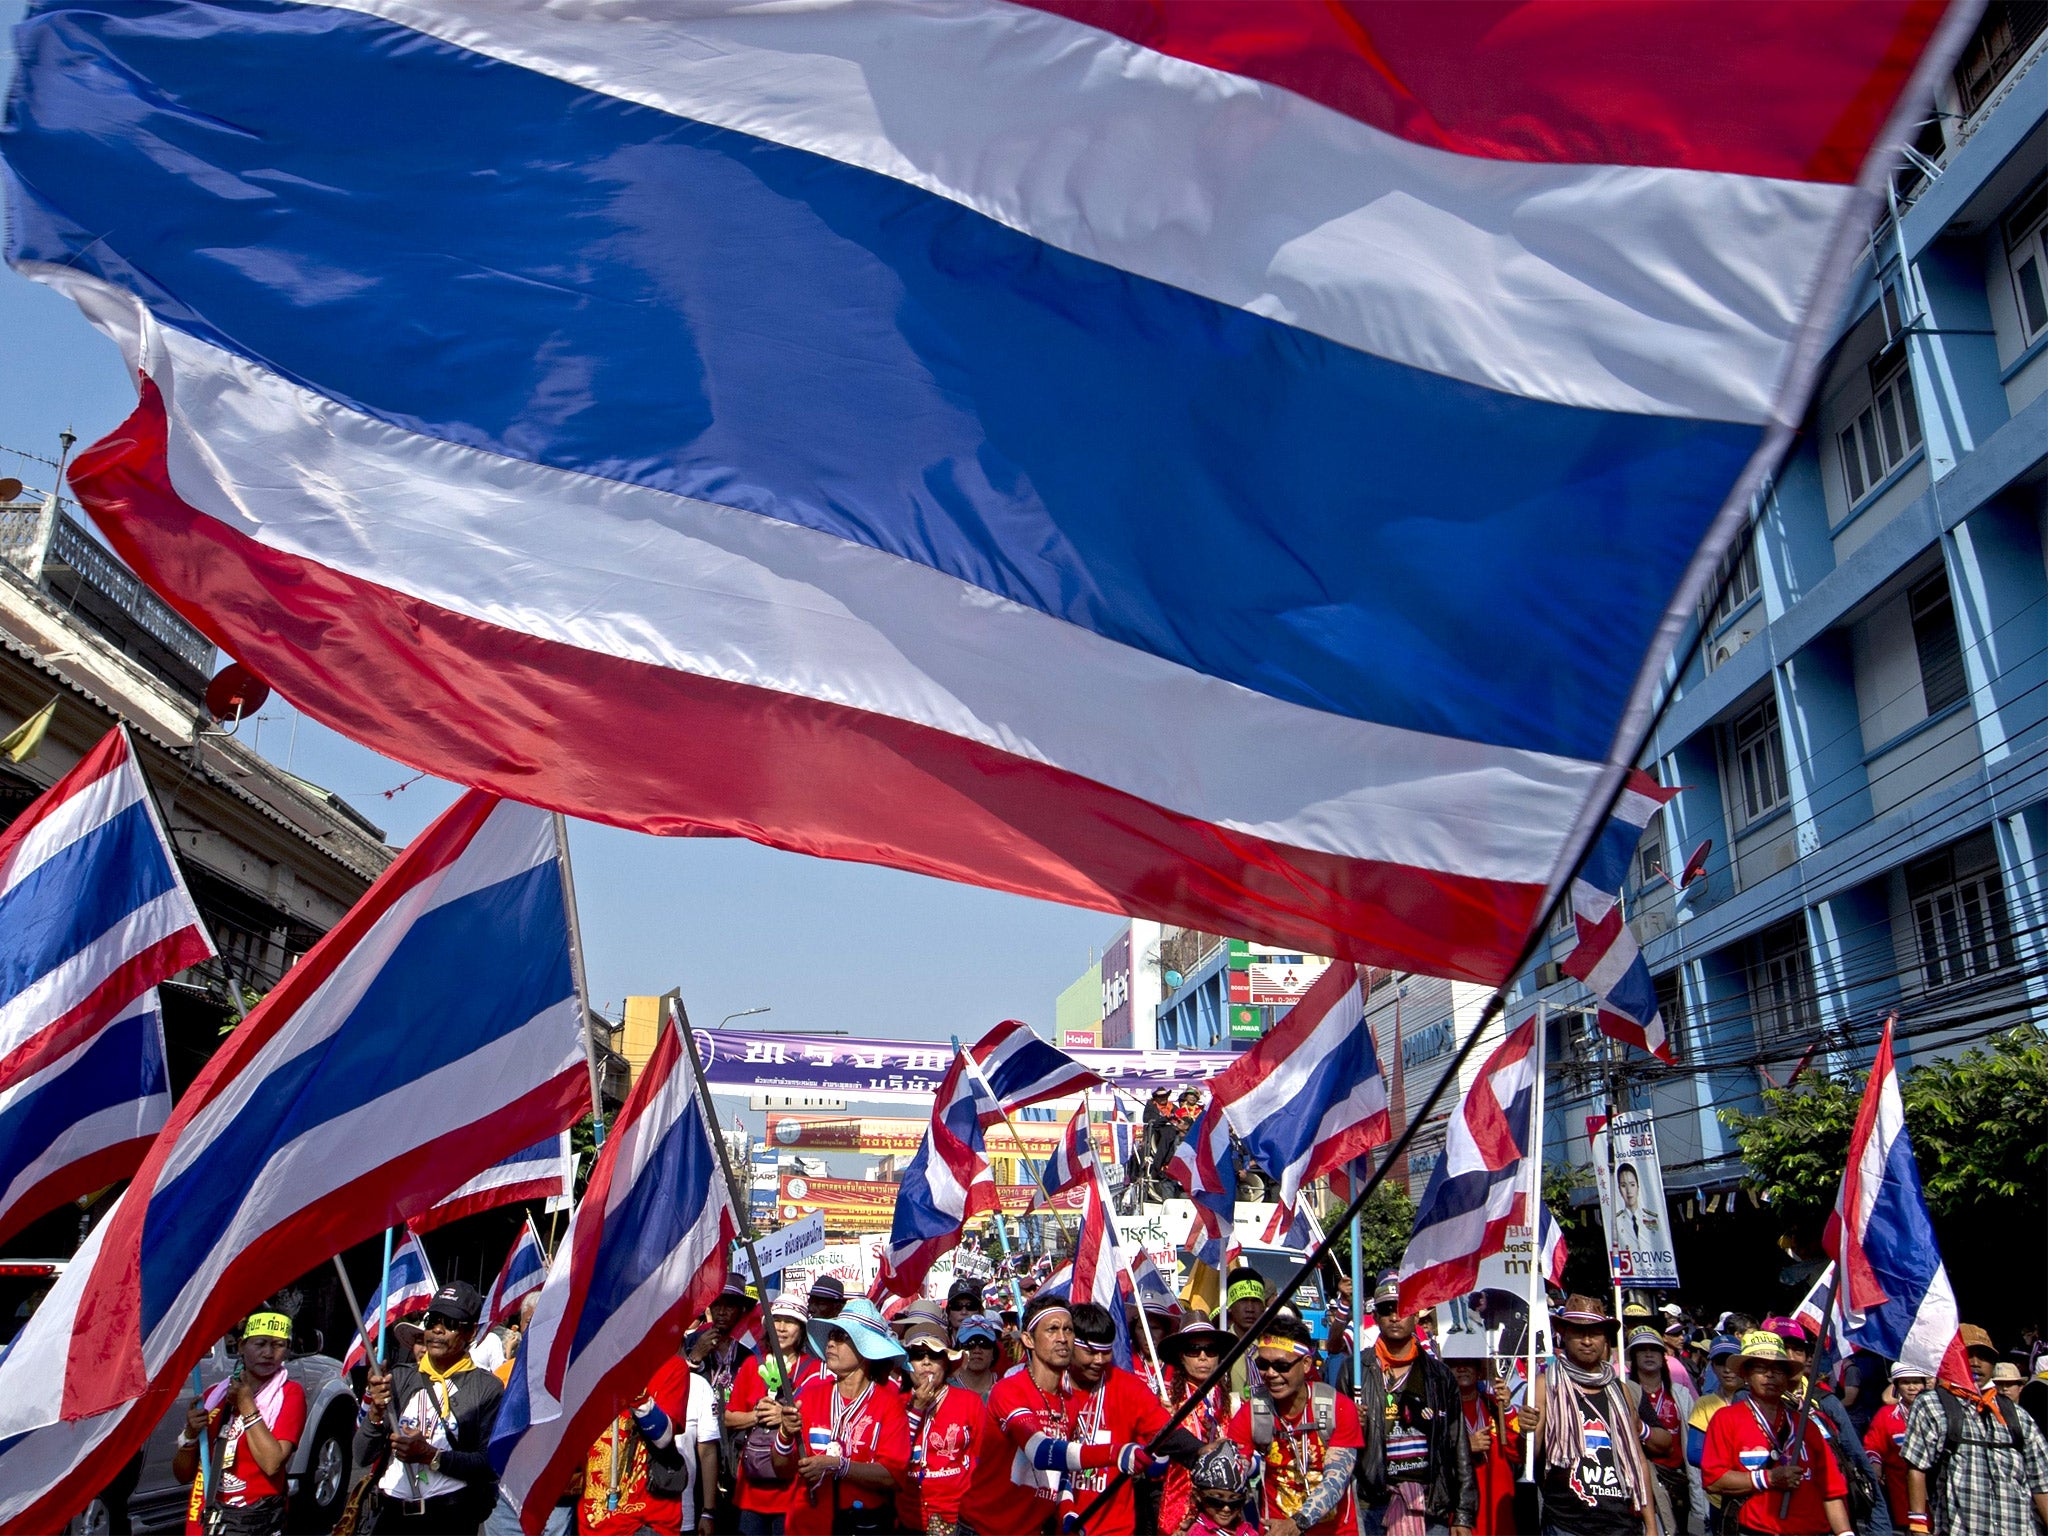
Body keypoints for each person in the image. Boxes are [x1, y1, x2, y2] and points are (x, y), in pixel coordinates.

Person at [1331, 1276, 1475, 1536]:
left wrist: (1463, 1514)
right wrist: (1351, 1426)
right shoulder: (1353, 1371)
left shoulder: (1440, 1377)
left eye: (1403, 1308)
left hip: (1431, 1508)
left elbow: (1459, 1447)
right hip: (1374, 1506)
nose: (1395, 1317)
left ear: (1417, 1315)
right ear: (1375, 1317)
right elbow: (1335, 1446)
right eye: (1386, 1310)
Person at [357, 1281, 505, 1533]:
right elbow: (362, 1455)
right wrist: (375, 1413)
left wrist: (431, 1456)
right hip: (390, 1511)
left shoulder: (486, 1388)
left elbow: (489, 1464)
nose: (437, 1330)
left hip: (449, 1515)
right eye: (432, 1320)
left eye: (449, 1323)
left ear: (470, 1333)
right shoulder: (400, 1378)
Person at [1520, 1294, 1656, 1536]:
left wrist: (1652, 1525)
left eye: (1594, 1333)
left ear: (1605, 1339)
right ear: (1563, 1334)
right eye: (1577, 1332)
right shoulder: (1544, 1385)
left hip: (1621, 1522)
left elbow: (1638, 1459)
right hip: (1567, 1524)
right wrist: (1527, 1430)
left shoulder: (1620, 1389)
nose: (1586, 1340)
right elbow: (1532, 1456)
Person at [775, 1299, 911, 1536]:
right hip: (806, 1526)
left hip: (863, 1526)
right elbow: (782, 1470)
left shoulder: (889, 1405)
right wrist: (785, 1435)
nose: (830, 1342)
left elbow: (893, 1476)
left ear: (865, 1349)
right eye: (830, 1335)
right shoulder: (808, 1396)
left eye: (840, 1336)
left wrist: (839, 1466)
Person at [985, 1295, 1119, 1534]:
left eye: (1068, 1330)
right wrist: (1115, 1453)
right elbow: (1040, 1451)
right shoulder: (1008, 1390)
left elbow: (1061, 1475)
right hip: (983, 1528)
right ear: (1028, 1339)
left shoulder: (1069, 1401)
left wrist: (1067, 1511)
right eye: (1052, 1329)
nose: (1062, 1338)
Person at [1225, 1311, 1366, 1536]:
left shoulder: (1339, 1408)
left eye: (1282, 1366)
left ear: (1307, 1363)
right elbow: (1233, 1473)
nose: (1270, 1374)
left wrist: (1296, 1523)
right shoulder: (1251, 1412)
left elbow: (1336, 1480)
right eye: (1263, 1364)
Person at [1901, 1323, 2048, 1536]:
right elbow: (1916, 1467)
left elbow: (2041, 1482)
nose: (1976, 1363)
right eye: (1968, 1354)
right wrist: (1918, 1526)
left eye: (1984, 1357)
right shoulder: (1932, 1405)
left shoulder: (2017, 1416)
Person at [1699, 1331, 1851, 1536]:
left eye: (1778, 1370)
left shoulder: (1807, 1425)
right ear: (1746, 1373)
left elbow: (1831, 1490)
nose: (1769, 1375)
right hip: (1757, 1530)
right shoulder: (1726, 1419)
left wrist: (1845, 1533)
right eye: (1761, 1368)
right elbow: (1713, 1480)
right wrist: (1768, 1478)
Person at [173, 1311, 306, 1536]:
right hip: (209, 1520)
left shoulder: (290, 1394)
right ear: (242, 1346)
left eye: (278, 1345)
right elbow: (182, 1474)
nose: (268, 1353)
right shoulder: (214, 1395)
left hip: (255, 1522)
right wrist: (190, 1435)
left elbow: (272, 1463)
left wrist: (246, 1405)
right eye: (260, 1343)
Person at [1767, 1316, 1891, 1536]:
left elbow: (1859, 1463)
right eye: (1783, 1350)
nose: (1792, 1358)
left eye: (1798, 1350)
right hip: (1774, 1519)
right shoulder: (1751, 1404)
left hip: (1831, 1518)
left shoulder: (1825, 1401)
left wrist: (1879, 1527)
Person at [578, 1352, 720, 1536]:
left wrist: (637, 1394)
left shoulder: (670, 1366)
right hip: (592, 1521)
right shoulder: (586, 1368)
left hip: (643, 1523)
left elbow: (663, 1438)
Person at [730, 1293, 824, 1536]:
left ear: (802, 1329)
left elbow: (818, 1422)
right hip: (751, 1489)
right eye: (776, 1320)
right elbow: (728, 1417)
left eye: (790, 1321)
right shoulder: (752, 1365)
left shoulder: (814, 1369)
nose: (781, 1328)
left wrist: (784, 1416)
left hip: (794, 1489)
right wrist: (757, 1416)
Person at [900, 1323, 999, 1536]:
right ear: (908, 1364)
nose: (926, 1362)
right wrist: (916, 1409)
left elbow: (982, 1460)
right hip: (908, 1518)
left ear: (946, 1362)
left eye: (934, 1355)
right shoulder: (895, 1403)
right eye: (918, 1355)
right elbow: (893, 1456)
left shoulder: (969, 1402)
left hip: (957, 1520)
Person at [691, 1282, 760, 1524]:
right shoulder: (690, 1346)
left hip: (733, 1451)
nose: (721, 1312)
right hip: (694, 1450)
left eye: (729, 1306)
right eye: (716, 1304)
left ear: (741, 1310)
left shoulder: (749, 1355)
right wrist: (695, 1357)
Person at [1443, 1332, 1518, 1536]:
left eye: (1468, 1362)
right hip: (1463, 1508)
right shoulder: (1442, 1411)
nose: (1461, 1368)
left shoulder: (1497, 1406)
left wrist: (1509, 1408)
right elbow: (1435, 1457)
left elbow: (1517, 1453)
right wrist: (1466, 1446)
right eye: (1454, 1364)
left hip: (1498, 1504)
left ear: (1478, 1370)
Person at [1625, 1324, 1695, 1536]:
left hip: (1676, 1481)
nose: (1648, 1354)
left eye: (1654, 1349)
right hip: (1641, 1480)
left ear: (1663, 1356)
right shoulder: (1626, 1392)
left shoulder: (1681, 1394)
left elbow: (1691, 1442)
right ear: (1633, 1357)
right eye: (1642, 1349)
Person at [1686, 1335, 1744, 1535]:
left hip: (1756, 1497)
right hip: (1719, 1499)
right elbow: (1694, 1452)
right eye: (1720, 1363)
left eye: (1732, 1361)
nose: (1727, 1369)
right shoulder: (1705, 1403)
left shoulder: (1758, 1403)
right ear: (1712, 1366)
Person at [1863, 1364, 1929, 1533]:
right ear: (1897, 1387)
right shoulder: (1886, 1415)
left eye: (1916, 1382)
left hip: (1934, 1490)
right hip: (1899, 1489)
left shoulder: (1936, 1413)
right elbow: (1873, 1446)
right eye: (1906, 1383)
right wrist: (1875, 1466)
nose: (1912, 1387)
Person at [1182, 1443, 1261, 1536]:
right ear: (1198, 1495)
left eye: (1235, 1501)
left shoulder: (1248, 1531)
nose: (1226, 1508)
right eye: (1216, 1501)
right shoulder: (1198, 1533)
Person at [951, 1316, 1001, 1400]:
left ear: (994, 1352)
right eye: (970, 1344)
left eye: (984, 1343)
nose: (977, 1350)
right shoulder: (947, 1390)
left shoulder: (1005, 1387)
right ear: (958, 1350)